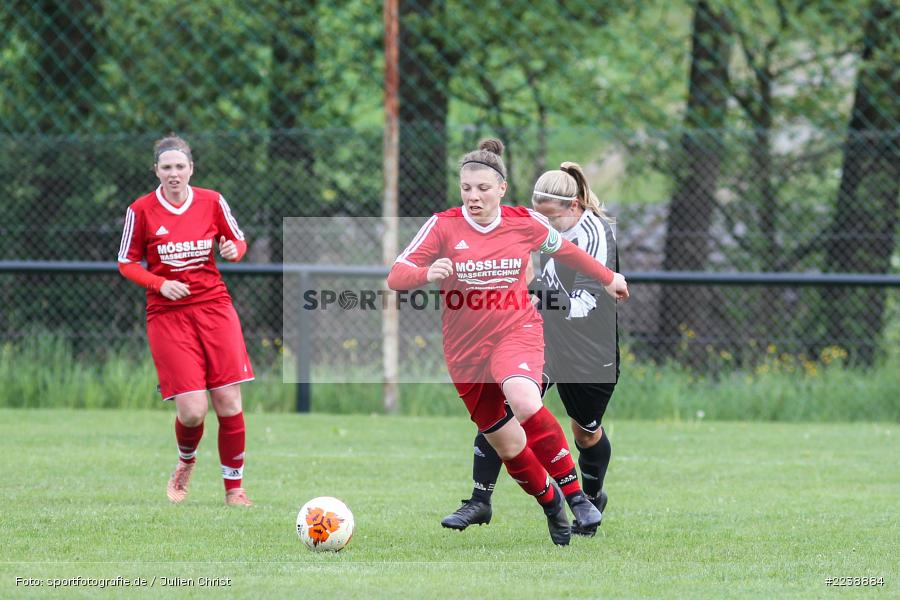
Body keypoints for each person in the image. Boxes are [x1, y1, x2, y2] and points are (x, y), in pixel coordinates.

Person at [387, 139, 629, 545]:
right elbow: (397, 275)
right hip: (465, 351)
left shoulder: (524, 222)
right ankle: (552, 505)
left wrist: (609, 278)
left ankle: (578, 498)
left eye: (482, 188)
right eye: (466, 188)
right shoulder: (443, 225)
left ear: (501, 188)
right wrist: (426, 274)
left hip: (517, 332)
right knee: (509, 443)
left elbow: (568, 252)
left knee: (524, 398)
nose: (473, 196)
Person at [442, 162, 619, 537]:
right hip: (541, 337)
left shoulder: (595, 234)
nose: (545, 227)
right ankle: (480, 499)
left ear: (573, 207)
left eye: (552, 219)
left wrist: (533, 295)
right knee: (506, 407)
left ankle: (592, 496)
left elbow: (585, 304)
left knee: (586, 433)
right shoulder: (534, 223)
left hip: (588, 347)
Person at [117, 135, 254, 507]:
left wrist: (232, 250)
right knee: (193, 411)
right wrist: (160, 284)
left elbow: (237, 242)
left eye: (180, 167)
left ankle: (234, 489)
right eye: (167, 168)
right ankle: (186, 462)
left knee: (228, 401)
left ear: (191, 169)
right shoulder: (141, 210)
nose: (174, 174)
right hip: (168, 316)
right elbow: (126, 263)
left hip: (214, 307)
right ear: (156, 171)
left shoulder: (212, 201)